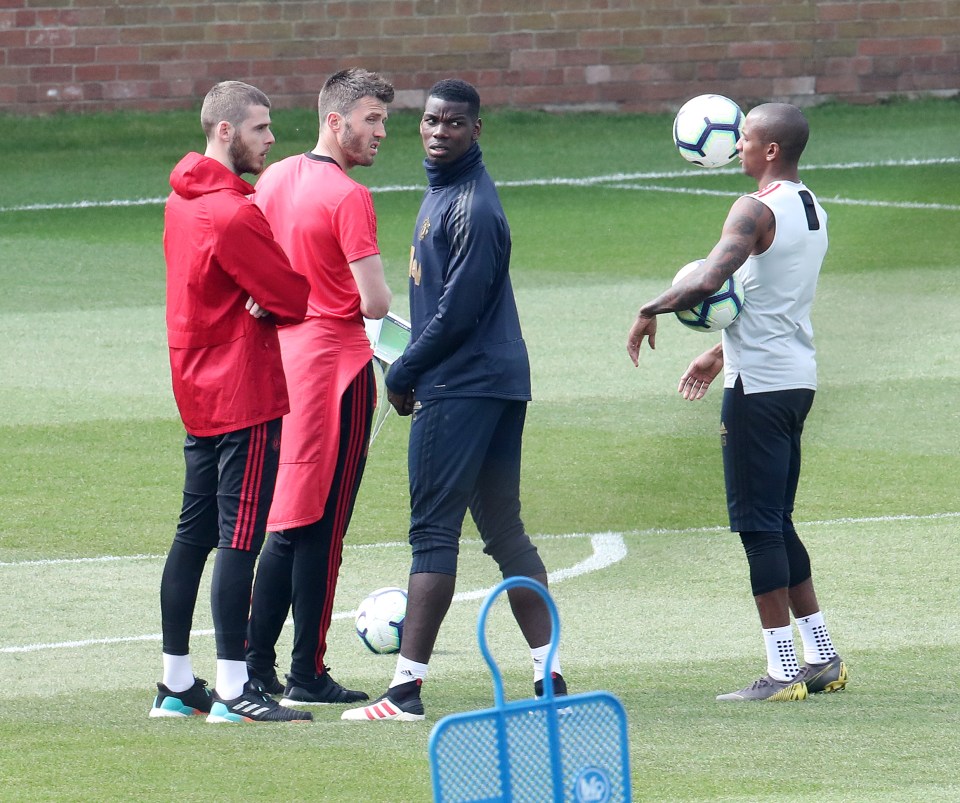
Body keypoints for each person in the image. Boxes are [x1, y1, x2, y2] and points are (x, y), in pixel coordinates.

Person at [342, 78, 564, 723]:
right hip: (494, 379)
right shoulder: (449, 193)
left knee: (433, 536)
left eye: (454, 124)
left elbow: (457, 314)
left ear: (476, 130)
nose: (440, 133)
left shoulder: (474, 207)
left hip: (461, 384)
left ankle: (404, 691)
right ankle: (547, 676)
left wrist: (404, 370)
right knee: (503, 531)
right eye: (432, 121)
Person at [626, 102, 848, 702]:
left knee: (756, 526)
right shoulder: (813, 208)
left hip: (757, 391)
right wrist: (718, 353)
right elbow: (773, 300)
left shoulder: (754, 209)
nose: (740, 146)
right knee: (778, 520)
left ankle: (781, 672)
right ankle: (823, 658)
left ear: (770, 150)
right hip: (796, 379)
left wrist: (651, 308)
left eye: (746, 137)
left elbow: (709, 281)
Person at [151, 81, 314, 723]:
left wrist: (259, 295)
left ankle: (175, 683)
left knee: (193, 535)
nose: (271, 140)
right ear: (225, 132)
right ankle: (231, 689)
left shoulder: (179, 201)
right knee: (238, 537)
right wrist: (265, 298)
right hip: (242, 390)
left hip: (195, 386)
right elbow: (292, 296)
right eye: (261, 129)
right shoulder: (235, 213)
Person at [244, 68, 394, 708]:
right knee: (321, 529)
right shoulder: (350, 196)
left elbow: (252, 265)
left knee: (285, 518)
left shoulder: (273, 179)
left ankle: (254, 666)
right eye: (372, 120)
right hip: (337, 371)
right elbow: (376, 301)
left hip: (282, 367)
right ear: (335, 121)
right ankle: (303, 671)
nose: (381, 132)